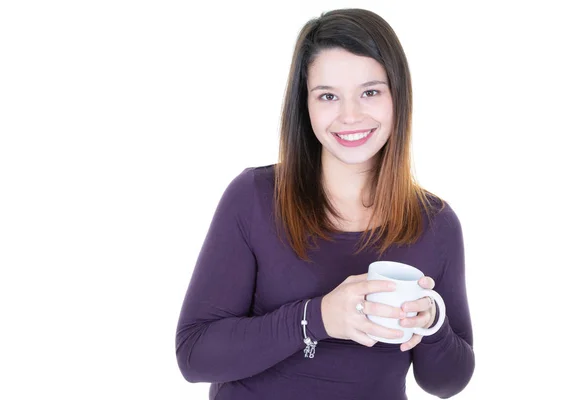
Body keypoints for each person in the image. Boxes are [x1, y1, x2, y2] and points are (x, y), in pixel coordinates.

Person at [176, 8, 474, 400]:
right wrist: (316, 318)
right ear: (306, 106)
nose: (350, 116)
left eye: (370, 92)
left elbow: (447, 383)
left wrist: (432, 323)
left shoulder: (435, 223)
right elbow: (195, 355)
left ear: (397, 96)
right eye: (328, 96)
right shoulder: (254, 197)